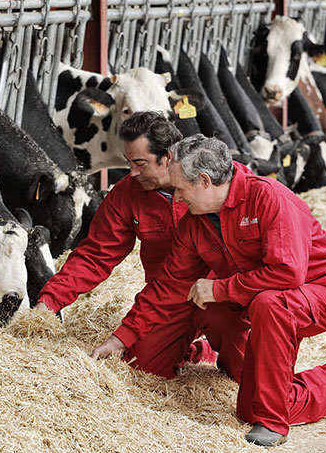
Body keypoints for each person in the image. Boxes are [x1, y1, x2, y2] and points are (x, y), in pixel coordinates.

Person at [94, 135, 326, 447]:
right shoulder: (196, 221)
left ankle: (273, 423)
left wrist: (221, 289)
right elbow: (169, 284)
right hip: (265, 298)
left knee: (268, 305)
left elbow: (288, 272)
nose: (176, 199)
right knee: (248, 407)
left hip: (323, 289)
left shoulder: (269, 197)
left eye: (179, 188)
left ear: (204, 181)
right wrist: (121, 337)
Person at [35, 112, 244, 379]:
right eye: (128, 163)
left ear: (169, 157)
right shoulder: (126, 193)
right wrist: (51, 300)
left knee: (242, 371)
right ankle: (192, 349)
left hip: (218, 296)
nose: (132, 173)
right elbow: (96, 254)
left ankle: (218, 344)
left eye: (140, 163)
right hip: (165, 299)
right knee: (141, 366)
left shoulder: (213, 186)